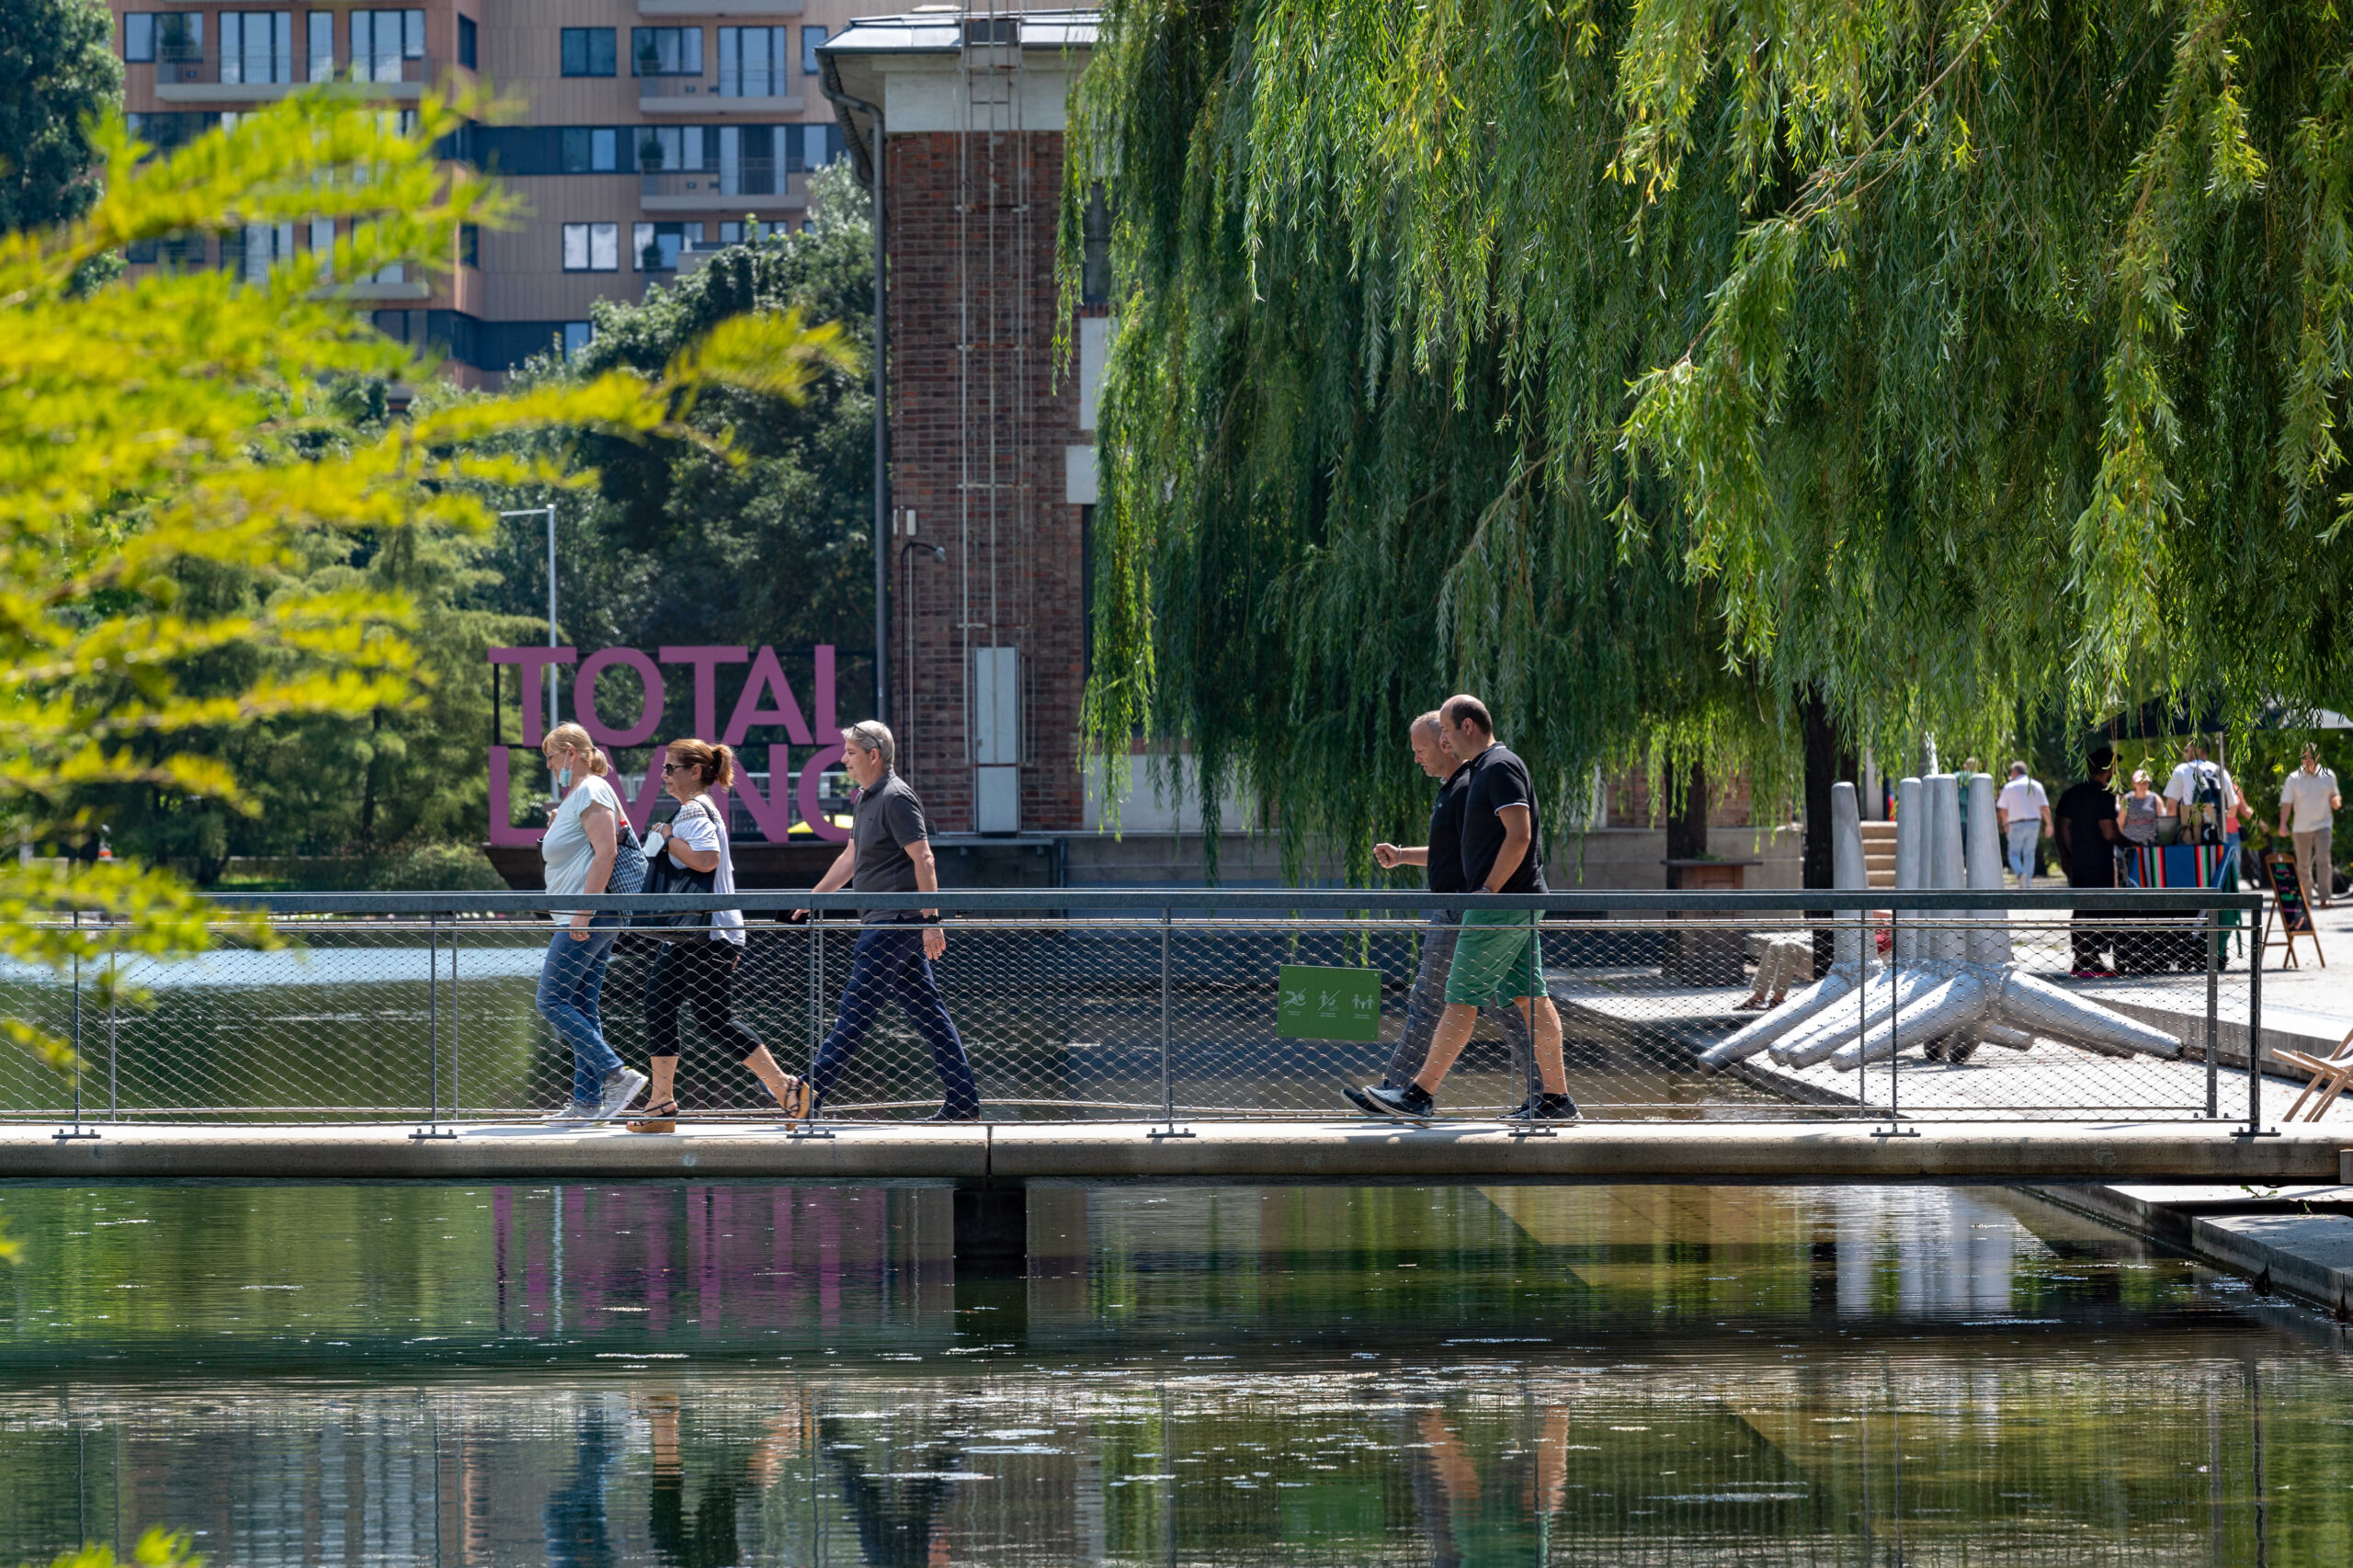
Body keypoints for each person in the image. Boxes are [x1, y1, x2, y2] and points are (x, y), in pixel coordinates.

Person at [1357, 696, 1575, 1120]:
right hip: (1514, 901)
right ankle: (1556, 1100)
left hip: (1500, 903)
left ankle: (1418, 1095)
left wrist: (1488, 891)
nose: (1443, 740)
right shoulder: (1483, 771)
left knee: (1459, 999)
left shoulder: (1499, 765)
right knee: (1530, 997)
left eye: (1446, 730)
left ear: (1468, 726)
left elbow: (1520, 834)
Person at [799, 721, 980, 1121]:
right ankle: (963, 1104)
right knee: (929, 1015)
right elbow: (850, 858)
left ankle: (807, 1093)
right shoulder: (866, 797)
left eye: (850, 752)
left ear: (873, 755)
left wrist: (931, 921)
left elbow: (924, 858)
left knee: (855, 1011)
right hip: (888, 923)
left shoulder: (897, 797)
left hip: (894, 923)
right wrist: (814, 899)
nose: (844, 759)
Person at [626, 738, 806, 1132]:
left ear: (695, 772)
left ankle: (787, 1089)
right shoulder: (698, 809)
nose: (664, 775)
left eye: (671, 768)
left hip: (709, 933)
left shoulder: (692, 810)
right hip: (701, 933)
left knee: (711, 1019)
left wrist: (666, 837)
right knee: (664, 1005)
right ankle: (662, 1104)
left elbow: (708, 860)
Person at [535, 722, 649, 1122]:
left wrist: (583, 911)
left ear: (572, 754)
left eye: (551, 755)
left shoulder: (592, 789)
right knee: (582, 1004)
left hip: (588, 914)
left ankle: (617, 1074)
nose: (549, 764)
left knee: (550, 1000)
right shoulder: (579, 796)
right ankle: (586, 1103)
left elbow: (606, 854)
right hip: (587, 913)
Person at [2054, 746, 2122, 977]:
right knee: (2095, 909)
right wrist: (2131, 843)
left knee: (2081, 908)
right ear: (2107, 769)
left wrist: (2066, 856)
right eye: (2114, 767)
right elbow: (2109, 832)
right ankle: (2088, 960)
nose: (2115, 772)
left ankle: (2083, 958)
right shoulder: (2104, 795)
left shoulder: (2070, 794)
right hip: (2098, 861)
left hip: (2077, 862)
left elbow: (2061, 827)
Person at [2278, 743, 2342, 909]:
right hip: (2301, 827)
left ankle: (2325, 898)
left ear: (2317, 757)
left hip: (2324, 824)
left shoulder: (2329, 775)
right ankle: (2306, 898)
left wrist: (2336, 801)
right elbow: (2286, 804)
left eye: (2311, 756)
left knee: (2323, 860)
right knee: (2303, 865)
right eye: (2305, 757)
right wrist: (2283, 824)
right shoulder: (2293, 778)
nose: (2308, 760)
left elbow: (2335, 794)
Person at [1995, 761, 2053, 883]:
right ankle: (2027, 884)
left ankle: (2020, 873)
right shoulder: (2036, 785)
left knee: (2014, 853)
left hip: (2016, 824)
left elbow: (2003, 808)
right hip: (2034, 823)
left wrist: (2005, 823)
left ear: (2015, 772)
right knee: (2029, 853)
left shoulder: (2010, 787)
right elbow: (2044, 807)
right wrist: (2049, 824)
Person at [2117, 768, 2166, 850]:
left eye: (2145, 783)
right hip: (2131, 843)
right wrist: (2125, 840)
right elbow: (2121, 822)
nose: (2142, 785)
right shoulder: (2127, 799)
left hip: (2151, 843)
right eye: (2139, 782)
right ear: (2134, 784)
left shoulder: (2155, 799)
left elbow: (2161, 823)